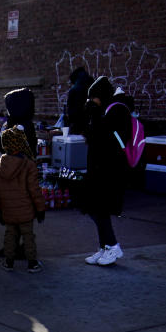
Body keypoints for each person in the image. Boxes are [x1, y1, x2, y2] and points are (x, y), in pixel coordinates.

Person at [82, 75, 130, 266]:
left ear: (100, 96)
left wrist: (95, 116)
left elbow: (110, 140)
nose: (91, 102)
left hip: (110, 170)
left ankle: (113, 246)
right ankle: (104, 247)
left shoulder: (118, 110)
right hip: (99, 169)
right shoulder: (104, 111)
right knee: (93, 208)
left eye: (93, 98)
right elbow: (93, 137)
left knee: (100, 209)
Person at [0, 126, 45, 273]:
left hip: (7, 210)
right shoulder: (28, 164)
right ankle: (32, 263)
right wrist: (40, 209)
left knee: (10, 235)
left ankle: (9, 262)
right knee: (28, 236)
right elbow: (35, 190)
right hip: (26, 210)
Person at [66, 67, 93, 135]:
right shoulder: (91, 86)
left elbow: (71, 112)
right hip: (91, 123)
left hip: (78, 125)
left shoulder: (74, 90)